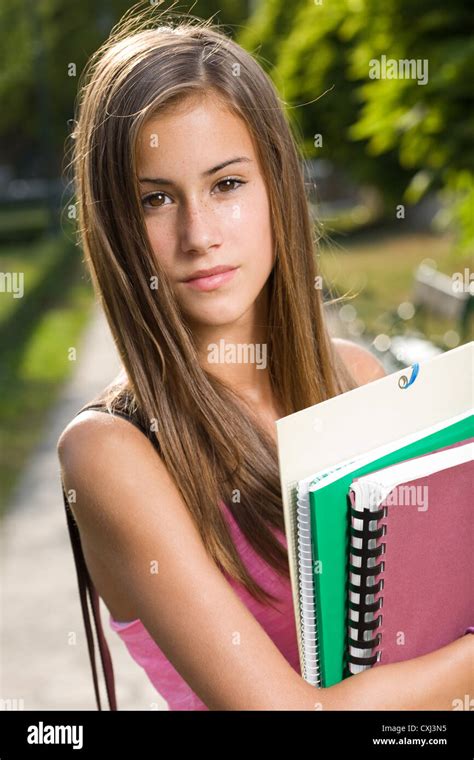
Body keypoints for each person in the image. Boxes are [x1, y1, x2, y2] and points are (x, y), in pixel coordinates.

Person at [57, 12, 472, 711]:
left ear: (276, 186)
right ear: (115, 223)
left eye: (226, 185)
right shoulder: (110, 453)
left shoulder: (354, 381)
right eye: (155, 199)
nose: (199, 234)